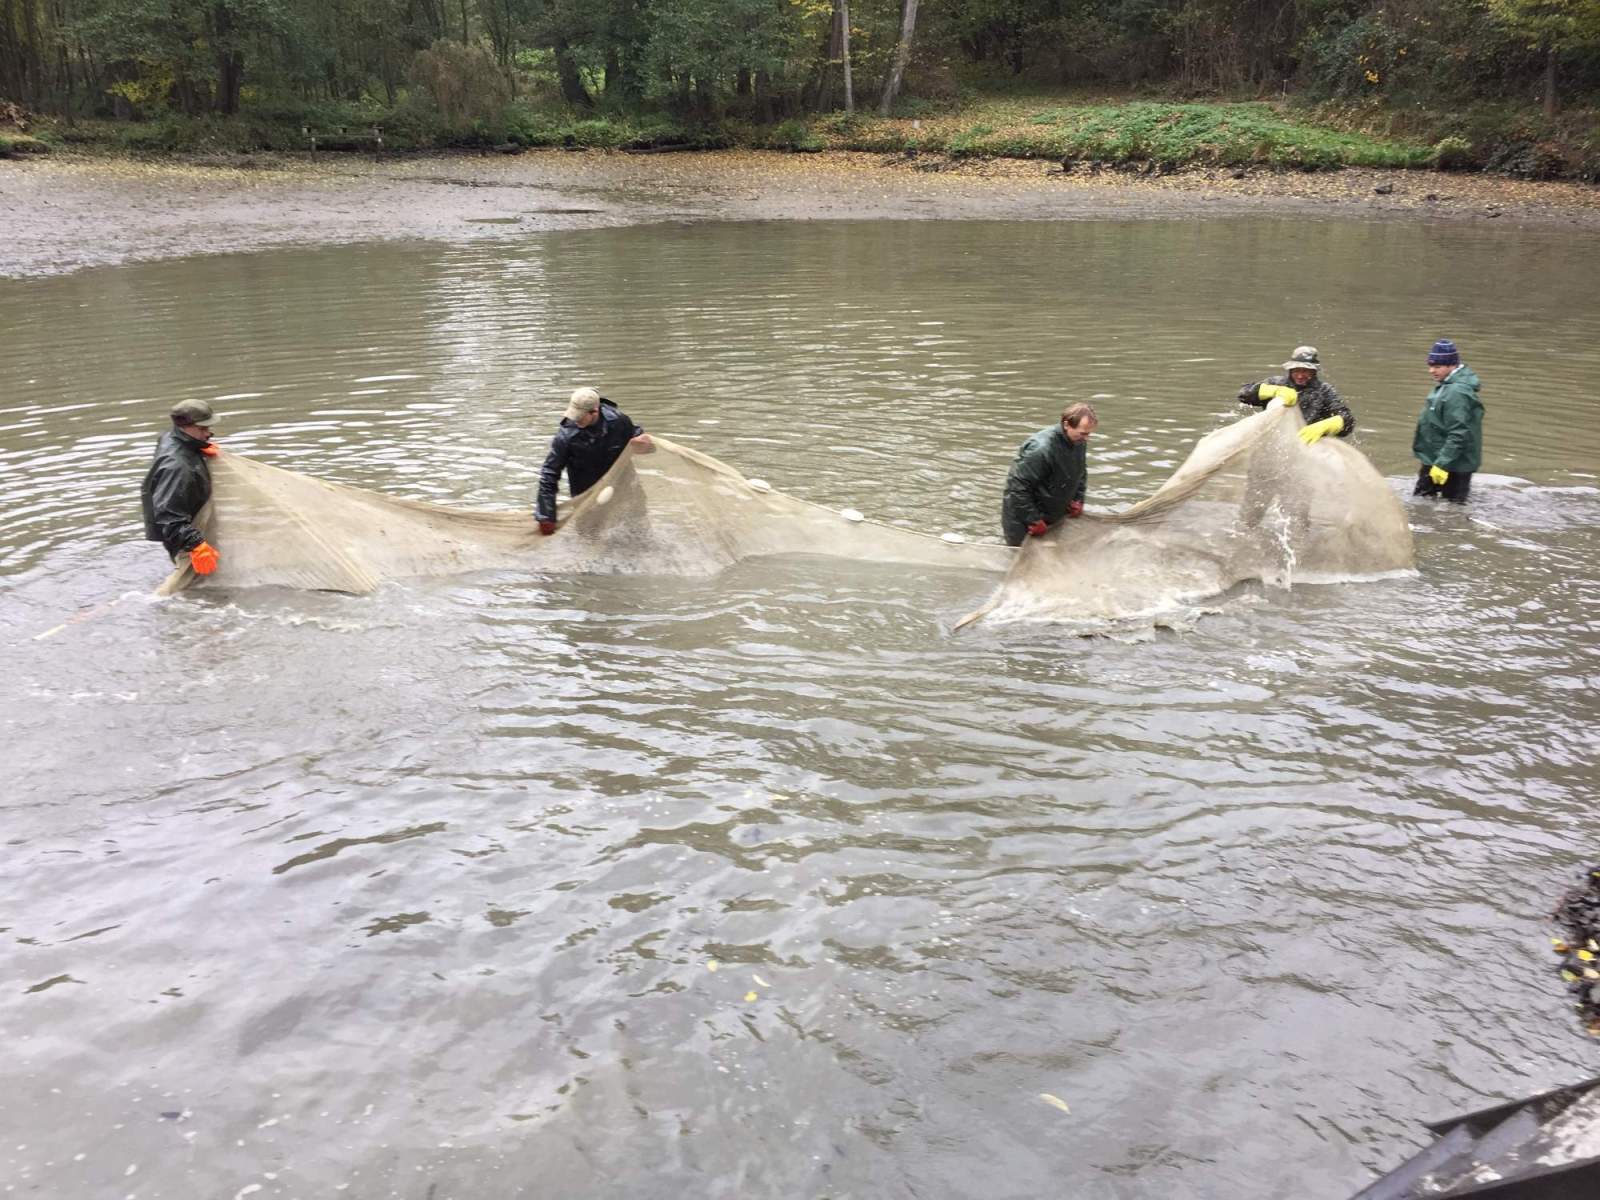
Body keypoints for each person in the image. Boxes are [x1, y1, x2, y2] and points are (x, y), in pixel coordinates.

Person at [535, 387, 653, 534]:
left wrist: (646, 444)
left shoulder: (618, 421)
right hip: (587, 495)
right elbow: (549, 473)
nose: (575, 419)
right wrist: (546, 516)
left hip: (624, 486)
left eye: (580, 416)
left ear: (594, 412)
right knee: (589, 536)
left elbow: (638, 440)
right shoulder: (566, 437)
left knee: (637, 532)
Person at [140, 399, 221, 575]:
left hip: (188, 516)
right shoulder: (177, 467)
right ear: (186, 427)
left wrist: (199, 449)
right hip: (182, 536)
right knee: (199, 580)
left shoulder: (171, 437)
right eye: (202, 429)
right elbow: (168, 519)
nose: (209, 433)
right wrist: (196, 544)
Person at [1000, 402, 1097, 547]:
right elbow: (1017, 488)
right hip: (1023, 522)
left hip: (1052, 516)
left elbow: (1081, 472)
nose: (1086, 438)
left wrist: (1078, 499)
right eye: (1083, 433)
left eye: (1089, 434)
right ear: (1066, 425)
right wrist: (1033, 520)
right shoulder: (1041, 449)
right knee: (1021, 557)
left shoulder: (1078, 441)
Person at [1237, 346, 1356, 444]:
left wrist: (1324, 426)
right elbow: (1244, 394)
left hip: (1307, 444)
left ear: (1314, 371)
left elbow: (1348, 420)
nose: (1300, 376)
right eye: (1296, 370)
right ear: (1290, 370)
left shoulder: (1324, 391)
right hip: (1273, 441)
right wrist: (1272, 391)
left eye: (1305, 371)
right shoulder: (1276, 383)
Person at [1412, 339, 1483, 503]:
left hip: (1454, 465)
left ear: (1452, 365)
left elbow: (1459, 433)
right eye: (1430, 366)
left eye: (1437, 366)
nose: (1431, 370)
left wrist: (1441, 465)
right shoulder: (1447, 384)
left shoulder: (1457, 392)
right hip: (1437, 458)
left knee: (1453, 509)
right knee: (1423, 504)